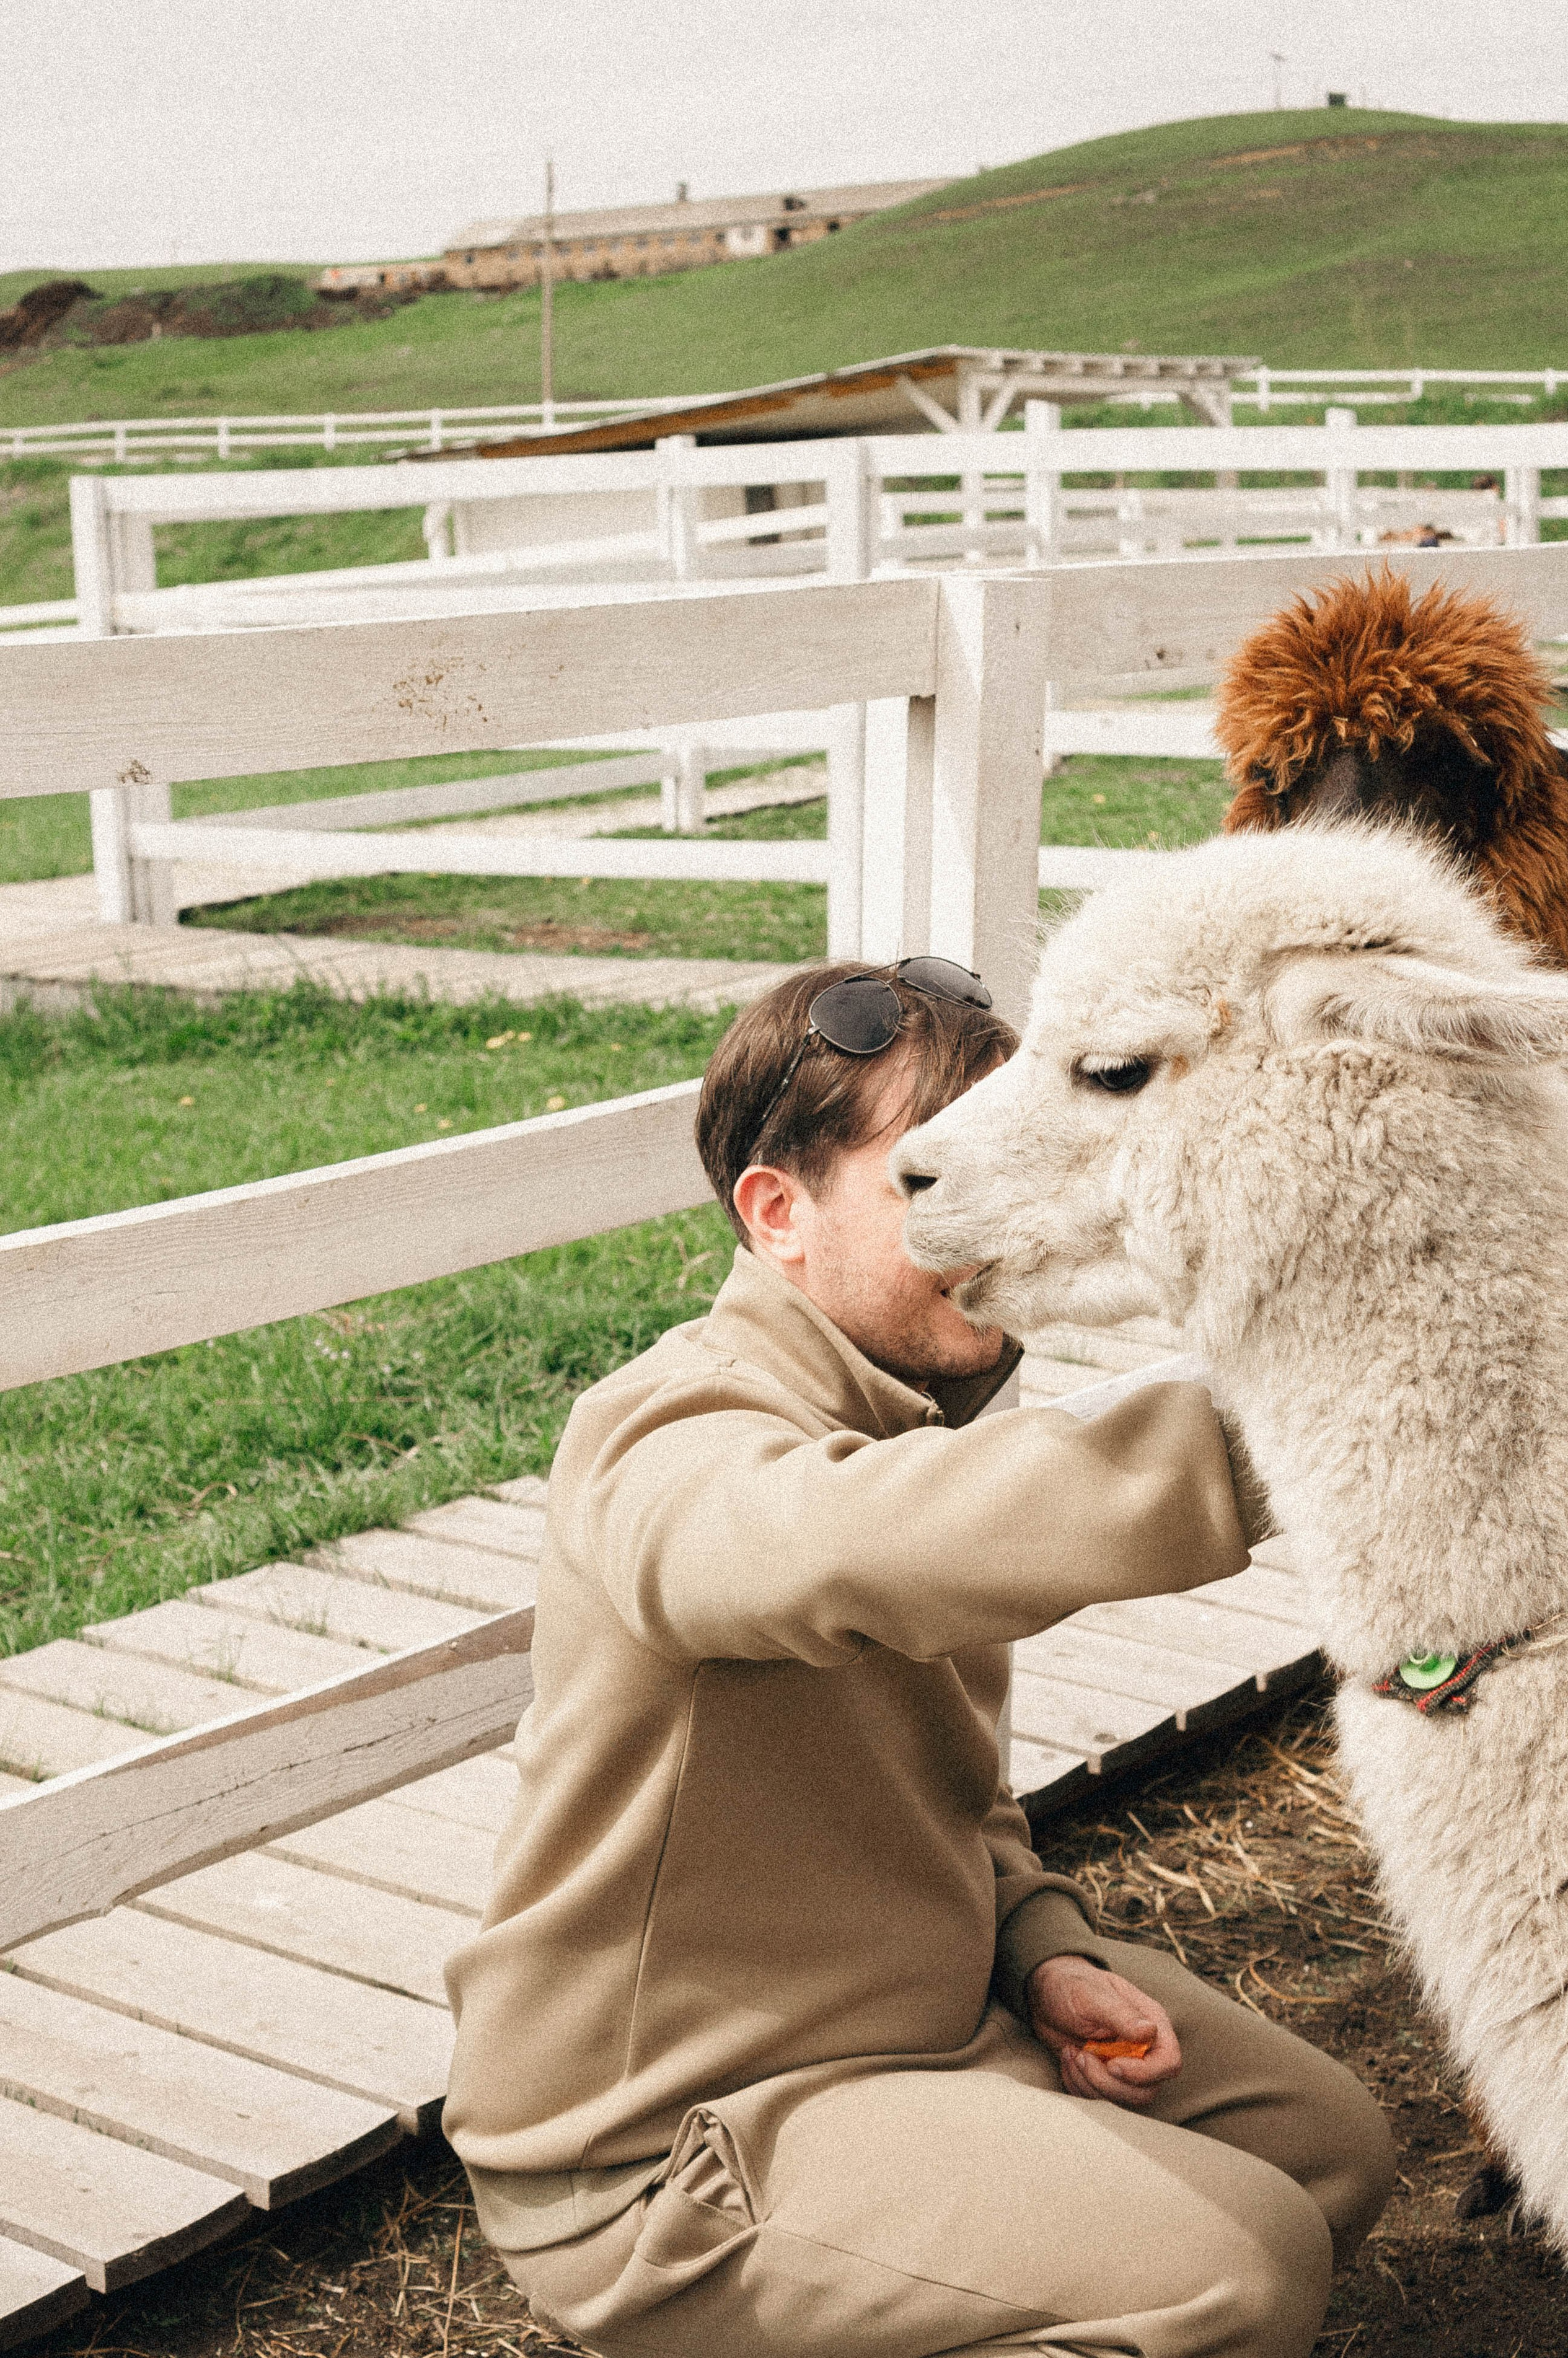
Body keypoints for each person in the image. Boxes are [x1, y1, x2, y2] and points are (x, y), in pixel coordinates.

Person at [444, 958, 1392, 2358]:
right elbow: (815, 1547)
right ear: (777, 1213)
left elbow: (948, 1806)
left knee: (1323, 2155)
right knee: (1233, 2272)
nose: (994, 1213)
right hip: (663, 2151)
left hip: (920, 2039)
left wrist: (1046, 1953)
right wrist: (1294, 1416)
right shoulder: (661, 1434)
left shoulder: (918, 1432)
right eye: (925, 1179)